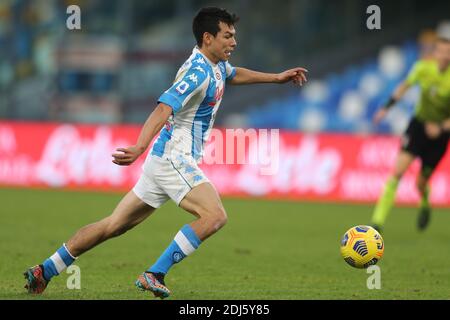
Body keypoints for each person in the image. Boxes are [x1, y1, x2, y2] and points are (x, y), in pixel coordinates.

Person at [24, 7, 308, 298]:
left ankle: (44, 270)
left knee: (113, 225)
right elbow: (163, 108)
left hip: (163, 160)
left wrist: (277, 78)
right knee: (214, 215)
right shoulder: (197, 72)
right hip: (175, 156)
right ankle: (154, 273)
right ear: (208, 38)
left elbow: (234, 75)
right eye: (228, 36)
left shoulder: (217, 64)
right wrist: (139, 146)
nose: (234, 42)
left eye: (234, 35)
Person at [371, 37, 450, 233]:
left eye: (448, 52)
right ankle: (377, 222)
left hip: (440, 134)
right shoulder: (423, 68)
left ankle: (424, 200)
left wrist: (440, 127)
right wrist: (386, 108)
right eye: (441, 51)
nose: (445, 56)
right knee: (398, 171)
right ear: (434, 53)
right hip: (418, 126)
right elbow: (404, 86)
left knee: (421, 183)